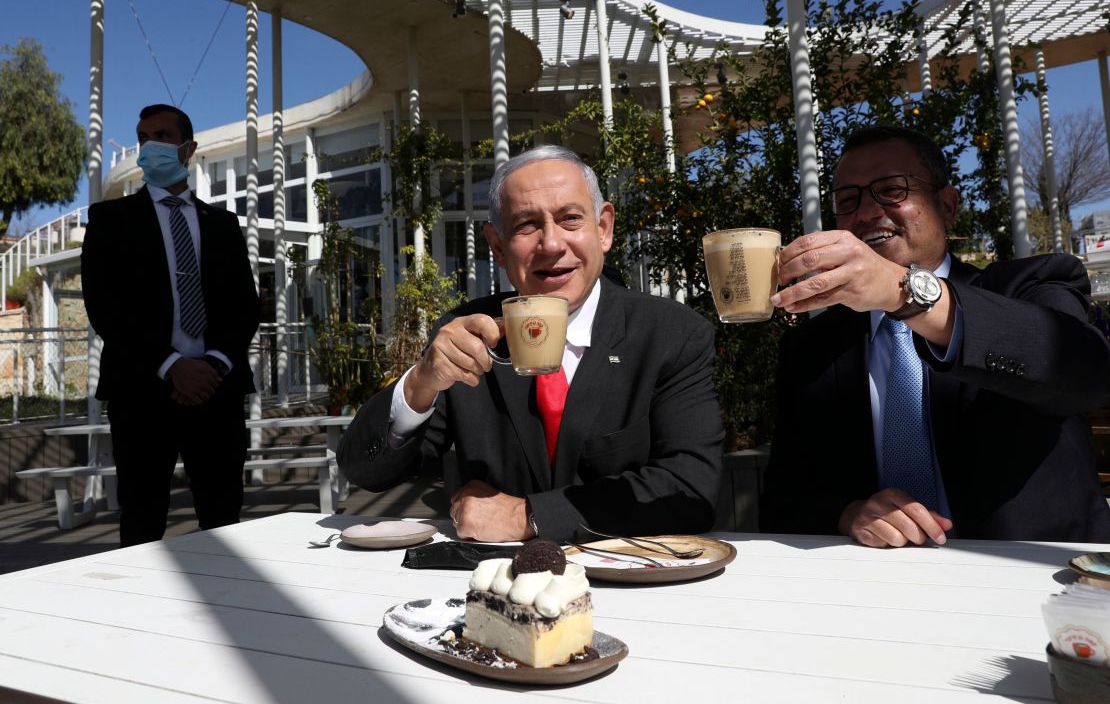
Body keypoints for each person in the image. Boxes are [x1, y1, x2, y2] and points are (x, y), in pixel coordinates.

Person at [338, 145, 724, 543]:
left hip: (635, 582)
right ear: (499, 248)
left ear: (604, 228)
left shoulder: (671, 334)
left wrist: (530, 516)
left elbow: (690, 488)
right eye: (526, 225)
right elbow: (364, 472)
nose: (552, 244)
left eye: (570, 219)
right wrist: (420, 382)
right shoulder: (468, 333)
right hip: (497, 589)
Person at [760, 123, 1110, 547]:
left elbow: (1084, 372)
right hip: (884, 589)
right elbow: (782, 500)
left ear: (947, 206)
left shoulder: (1029, 285)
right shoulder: (811, 348)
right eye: (848, 200)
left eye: (891, 190)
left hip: (1039, 581)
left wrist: (905, 293)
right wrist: (847, 513)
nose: (867, 213)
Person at [81, 104, 260, 546]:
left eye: (162, 135)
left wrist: (213, 365)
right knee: (142, 521)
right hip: (141, 393)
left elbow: (245, 306)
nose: (149, 147)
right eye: (143, 137)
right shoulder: (109, 222)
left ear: (188, 148)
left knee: (223, 518)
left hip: (216, 393)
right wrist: (172, 364)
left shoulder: (222, 224)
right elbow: (106, 308)